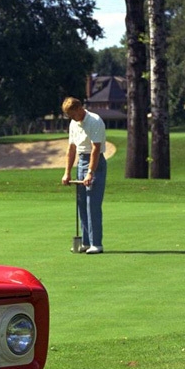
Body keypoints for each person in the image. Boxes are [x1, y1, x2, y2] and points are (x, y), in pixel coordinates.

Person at [60, 96, 107, 254]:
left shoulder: (94, 120)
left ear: (80, 108)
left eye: (74, 114)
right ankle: (86, 242)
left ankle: (96, 244)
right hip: (81, 162)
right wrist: (67, 172)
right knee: (81, 204)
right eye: (70, 116)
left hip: (96, 163)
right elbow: (71, 149)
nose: (73, 118)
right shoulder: (74, 123)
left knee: (92, 204)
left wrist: (90, 173)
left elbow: (95, 149)